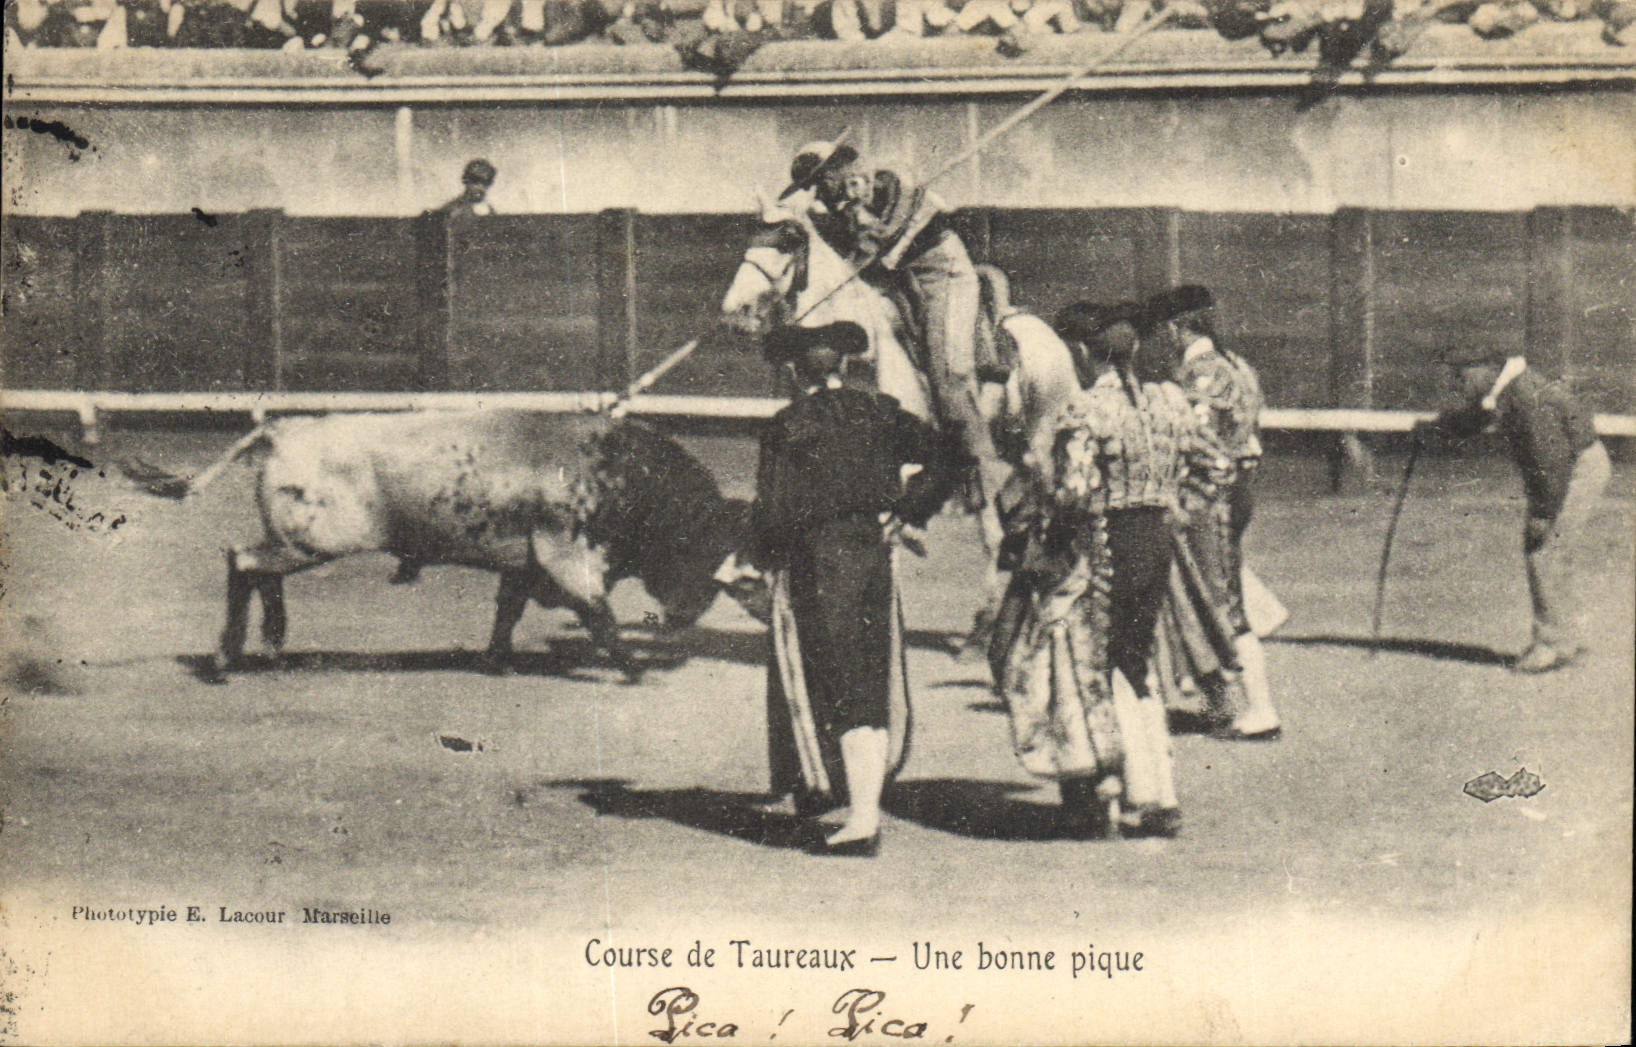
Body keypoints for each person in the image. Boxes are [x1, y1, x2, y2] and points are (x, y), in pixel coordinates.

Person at [993, 302, 1223, 839]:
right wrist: (1175, 510)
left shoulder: (1086, 409)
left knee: (1099, 666)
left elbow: (1073, 492)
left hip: (1103, 547)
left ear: (1081, 353)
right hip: (1156, 544)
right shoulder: (1168, 400)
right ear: (1135, 349)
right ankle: (1159, 791)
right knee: (1137, 661)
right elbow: (1217, 465)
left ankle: (1126, 793)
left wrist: (1047, 518)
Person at [749, 321, 961, 855]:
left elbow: (772, 512)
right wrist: (907, 510)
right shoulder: (880, 411)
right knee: (869, 674)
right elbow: (949, 455)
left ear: (794, 372)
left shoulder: (787, 425)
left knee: (836, 677)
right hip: (872, 552)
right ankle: (863, 806)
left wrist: (761, 559)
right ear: (844, 365)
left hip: (818, 559)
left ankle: (861, 818)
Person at [777, 135, 1007, 553]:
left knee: (949, 378)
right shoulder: (835, 212)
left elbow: (890, 236)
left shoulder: (890, 181)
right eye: (812, 187)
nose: (818, 192)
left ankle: (988, 473)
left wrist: (867, 228)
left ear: (837, 171)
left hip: (942, 275)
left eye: (819, 181)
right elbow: (862, 262)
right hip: (902, 287)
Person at [1414, 347, 1611, 673]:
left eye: (1461, 375)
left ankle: (1551, 645)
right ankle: (1566, 640)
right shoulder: (1506, 385)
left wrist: (1544, 513)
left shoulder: (1527, 397)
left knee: (1543, 548)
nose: (1457, 384)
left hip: (1575, 470)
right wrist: (1438, 429)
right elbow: (1480, 415)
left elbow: (1550, 461)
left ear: (1487, 369)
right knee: (1553, 551)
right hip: (1573, 463)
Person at [1144, 285, 1281, 739]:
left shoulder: (1202, 372)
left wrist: (1182, 500)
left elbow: (1202, 446)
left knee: (1219, 601)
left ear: (1174, 329)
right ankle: (1220, 702)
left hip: (1210, 496)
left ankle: (1260, 710)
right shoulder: (1234, 363)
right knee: (1214, 593)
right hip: (1234, 488)